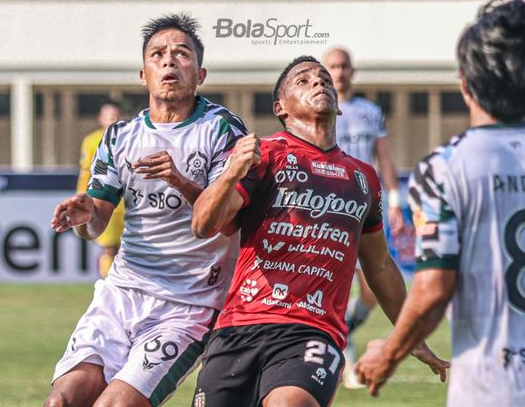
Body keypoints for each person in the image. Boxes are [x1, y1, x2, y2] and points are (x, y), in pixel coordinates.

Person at [355, 0, 525, 406]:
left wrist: (388, 354)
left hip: (490, 387)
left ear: (465, 82)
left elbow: (433, 289)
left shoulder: (445, 168)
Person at [190, 56, 448, 407]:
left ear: (339, 108)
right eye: (303, 80)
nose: (318, 83)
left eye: (323, 78)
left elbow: (381, 266)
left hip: (312, 331)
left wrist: (412, 337)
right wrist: (232, 172)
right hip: (239, 326)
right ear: (280, 108)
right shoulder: (264, 156)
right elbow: (204, 224)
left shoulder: (363, 177)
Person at [44, 13, 247, 407]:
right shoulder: (120, 136)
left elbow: (226, 222)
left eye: (181, 53)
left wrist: (180, 180)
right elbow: (97, 221)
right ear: (143, 74)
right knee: (63, 401)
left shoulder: (222, 129)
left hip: (189, 304)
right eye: (158, 54)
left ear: (200, 74)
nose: (169, 61)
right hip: (121, 294)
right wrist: (85, 218)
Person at [322, 47, 404, 388]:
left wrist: (396, 201)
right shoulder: (321, 109)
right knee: (334, 287)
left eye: (343, 66)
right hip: (329, 209)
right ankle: (342, 351)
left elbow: (383, 157)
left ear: (352, 70)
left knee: (371, 291)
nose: (339, 73)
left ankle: (340, 336)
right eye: (333, 67)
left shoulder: (370, 111)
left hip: (366, 208)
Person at [76, 100, 126, 278]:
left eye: (116, 116)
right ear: (100, 118)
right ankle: (109, 285)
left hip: (128, 205)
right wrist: (82, 196)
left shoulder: (129, 138)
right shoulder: (91, 141)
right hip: (104, 201)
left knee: (127, 251)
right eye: (109, 116)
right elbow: (86, 172)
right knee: (109, 248)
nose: (113, 119)